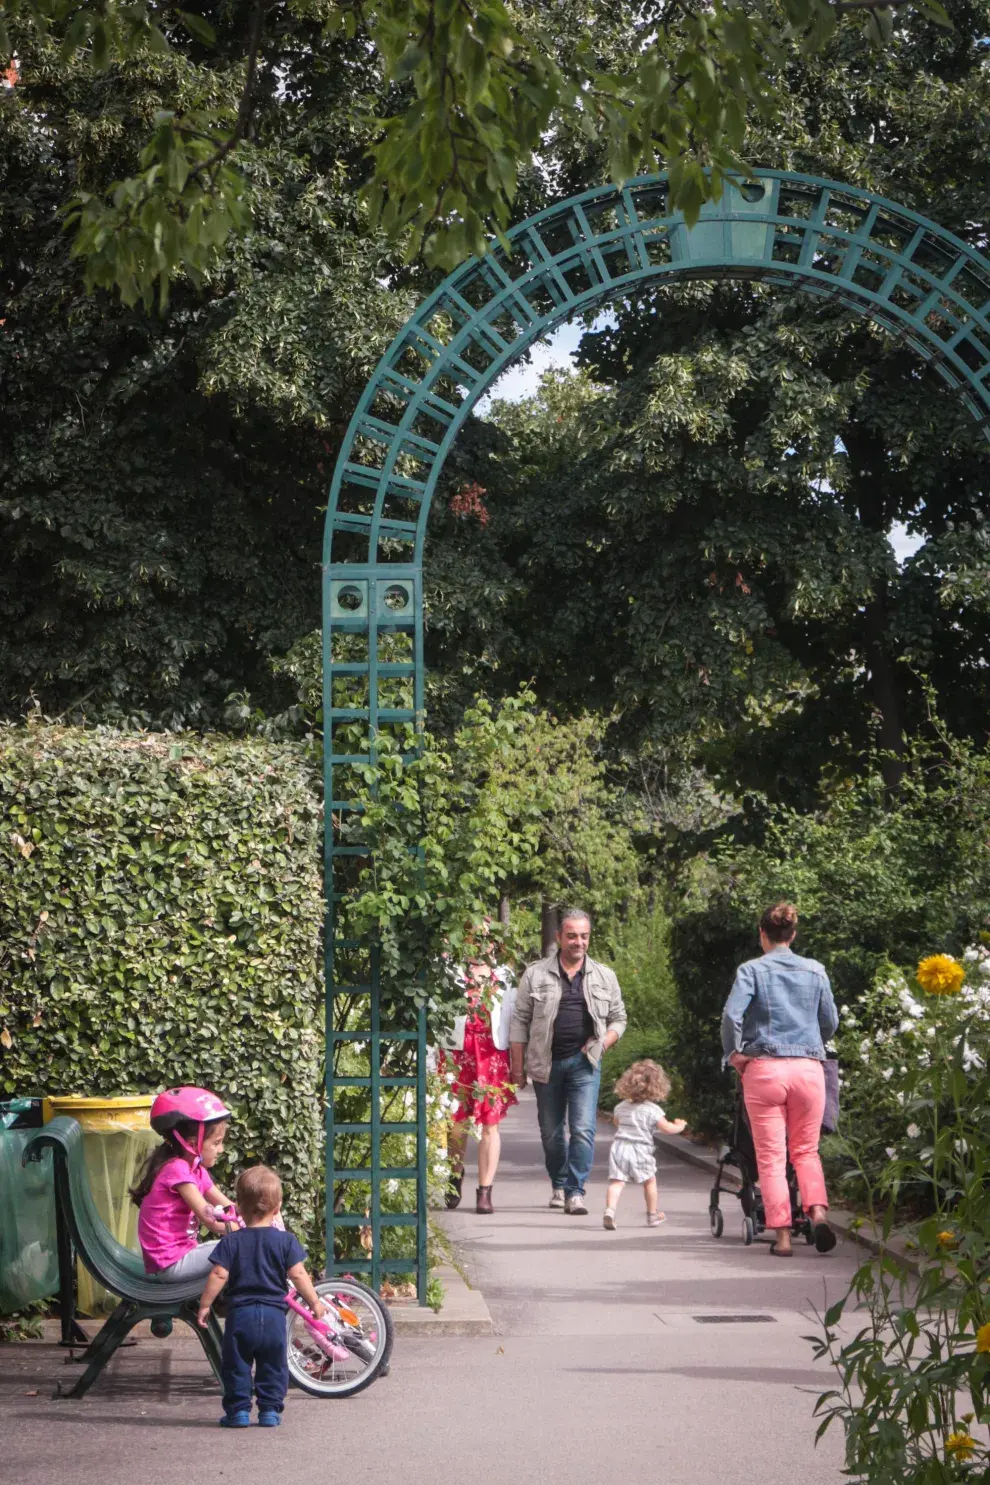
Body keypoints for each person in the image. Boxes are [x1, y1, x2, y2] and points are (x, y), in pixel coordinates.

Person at [721, 901, 839, 1257]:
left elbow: (731, 1016)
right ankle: (817, 1212)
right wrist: (810, 1039)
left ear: (763, 935)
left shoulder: (751, 971)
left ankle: (783, 1239)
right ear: (793, 934)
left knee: (771, 1157)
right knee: (806, 1151)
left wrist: (734, 1054)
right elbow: (830, 1021)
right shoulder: (816, 971)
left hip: (765, 1069)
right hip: (808, 1070)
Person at [510, 908, 626, 1215]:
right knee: (551, 1132)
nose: (579, 942)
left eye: (584, 936)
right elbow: (519, 1022)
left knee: (583, 1129)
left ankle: (576, 1191)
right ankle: (558, 1185)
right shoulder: (535, 974)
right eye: (572, 935)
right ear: (559, 937)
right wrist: (517, 1069)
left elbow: (619, 1018)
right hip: (545, 1065)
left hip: (584, 1064)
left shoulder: (604, 975)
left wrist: (605, 1041)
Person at [198, 1165, 326, 1428]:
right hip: (273, 1317)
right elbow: (299, 1274)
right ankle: (269, 1410)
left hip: (240, 1316)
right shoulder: (286, 1241)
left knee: (236, 1366)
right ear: (277, 1208)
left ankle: (238, 1412)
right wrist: (314, 1301)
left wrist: (205, 1304)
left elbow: (219, 1274)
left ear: (239, 1207)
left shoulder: (231, 1242)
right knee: (273, 1365)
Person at [131, 1086, 236, 1281]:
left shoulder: (195, 1170)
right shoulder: (177, 1170)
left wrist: (255, 1218)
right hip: (171, 1264)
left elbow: (228, 1206)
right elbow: (211, 1221)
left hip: (182, 1255)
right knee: (241, 1247)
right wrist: (248, 1231)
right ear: (192, 1142)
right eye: (216, 1143)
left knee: (244, 1244)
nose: (221, 1149)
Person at [444, 961, 517, 1215]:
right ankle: (454, 1174)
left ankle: (485, 1191)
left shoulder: (504, 975)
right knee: (456, 1122)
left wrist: (519, 1064)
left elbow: (514, 1018)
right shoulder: (451, 971)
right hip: (458, 1054)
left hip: (491, 1056)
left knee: (490, 1123)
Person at [602, 1060, 687, 1230]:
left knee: (616, 1182)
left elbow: (617, 1123)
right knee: (649, 1181)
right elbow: (667, 1129)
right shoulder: (652, 1110)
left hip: (619, 1147)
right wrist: (680, 1125)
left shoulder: (620, 1107)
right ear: (655, 1086)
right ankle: (652, 1215)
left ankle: (610, 1211)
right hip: (640, 1149)